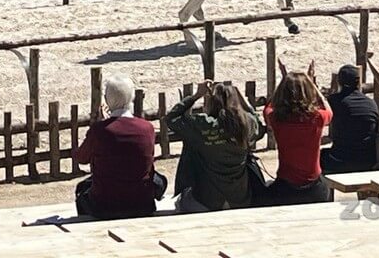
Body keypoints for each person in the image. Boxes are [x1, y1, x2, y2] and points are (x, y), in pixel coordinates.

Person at [166, 80, 265, 212]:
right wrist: (244, 103)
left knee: (181, 202)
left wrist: (196, 95)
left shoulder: (204, 125)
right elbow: (258, 125)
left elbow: (171, 118)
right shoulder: (246, 124)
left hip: (207, 200)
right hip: (240, 199)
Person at [74, 74, 163, 219]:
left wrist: (102, 125)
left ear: (108, 99)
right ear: (132, 97)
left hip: (105, 205)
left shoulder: (99, 130)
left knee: (82, 189)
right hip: (142, 203)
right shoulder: (147, 128)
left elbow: (82, 158)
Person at [263, 61, 333, 205]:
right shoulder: (317, 117)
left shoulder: (276, 118)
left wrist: (283, 82)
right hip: (314, 188)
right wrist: (311, 83)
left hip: (285, 187)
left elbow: (269, 106)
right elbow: (327, 107)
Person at [320, 64, 379, 174]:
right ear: (358, 82)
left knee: (320, 156)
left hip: (341, 160)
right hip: (367, 161)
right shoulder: (371, 103)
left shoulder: (334, 101)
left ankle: (326, 191)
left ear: (339, 82)